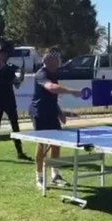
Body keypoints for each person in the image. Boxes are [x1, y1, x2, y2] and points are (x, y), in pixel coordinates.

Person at [29, 47, 82, 189]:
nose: (59, 62)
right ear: (48, 60)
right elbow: (51, 88)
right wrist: (71, 91)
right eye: (56, 59)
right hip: (39, 112)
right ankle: (39, 177)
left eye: (59, 59)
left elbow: (52, 98)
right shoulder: (41, 74)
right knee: (42, 143)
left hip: (51, 111)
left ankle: (55, 175)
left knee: (56, 144)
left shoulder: (54, 74)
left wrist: (60, 113)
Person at [0, 41, 31, 161]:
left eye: (0, 54)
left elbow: (17, 85)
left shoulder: (9, 69)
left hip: (9, 100)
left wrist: (22, 76)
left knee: (15, 125)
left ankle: (20, 152)